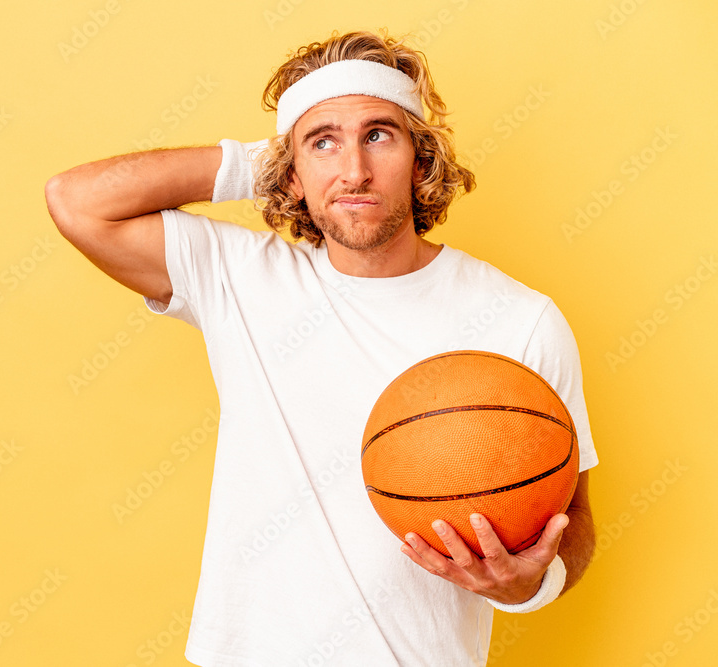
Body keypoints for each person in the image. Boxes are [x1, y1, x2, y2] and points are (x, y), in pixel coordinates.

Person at [46, 28, 597, 667]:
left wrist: (533, 584)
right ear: (291, 171)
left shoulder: (522, 320)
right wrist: (263, 163)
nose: (354, 170)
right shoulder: (240, 277)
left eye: (379, 135)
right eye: (324, 142)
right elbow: (77, 201)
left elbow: (576, 517)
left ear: (422, 161)